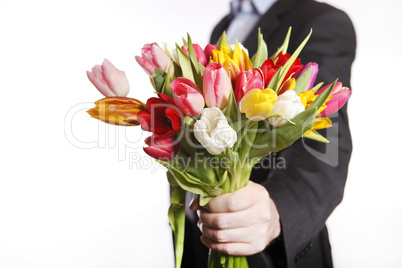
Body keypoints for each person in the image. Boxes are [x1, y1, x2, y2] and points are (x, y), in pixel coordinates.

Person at [181, 0, 356, 267]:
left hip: (271, 254)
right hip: (203, 241)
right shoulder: (224, 26)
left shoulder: (321, 19)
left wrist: (276, 212)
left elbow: (328, 147)